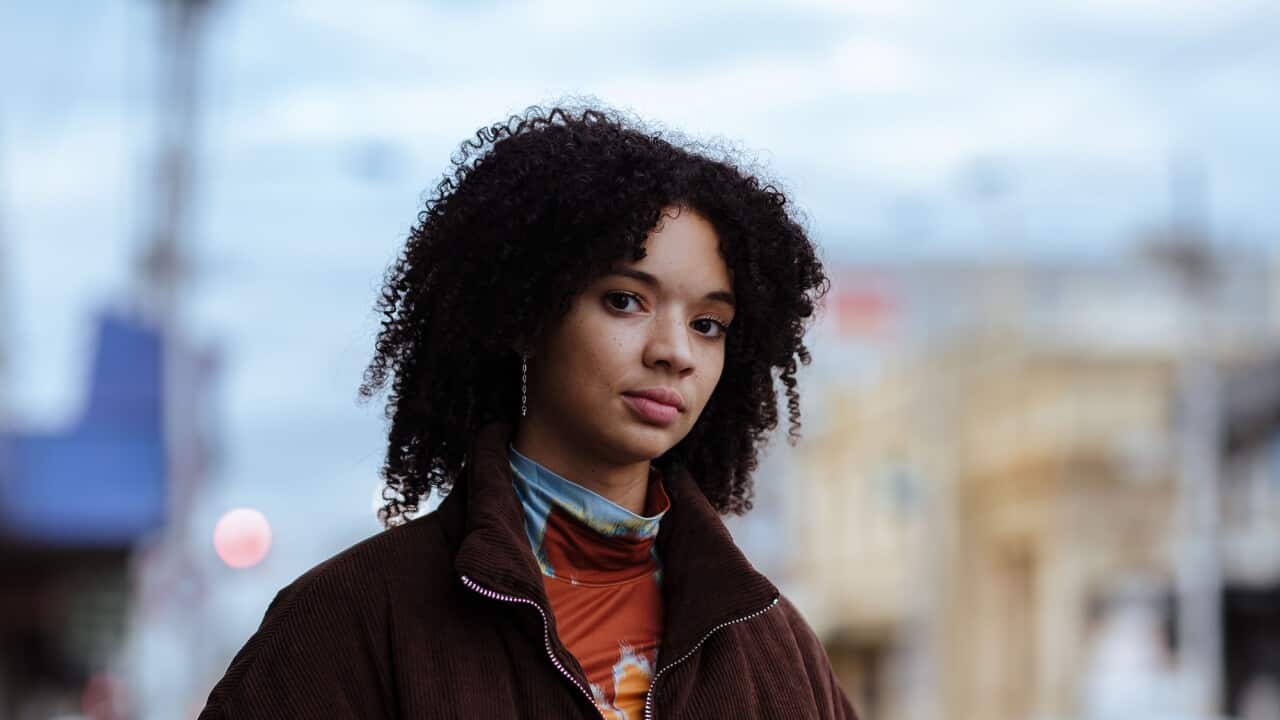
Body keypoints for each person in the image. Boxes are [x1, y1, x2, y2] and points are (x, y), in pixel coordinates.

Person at [198, 104, 859, 719]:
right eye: (626, 301)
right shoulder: (351, 620)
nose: (674, 352)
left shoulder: (773, 645)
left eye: (710, 323)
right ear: (527, 313)